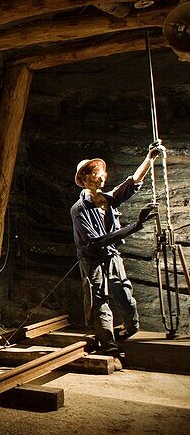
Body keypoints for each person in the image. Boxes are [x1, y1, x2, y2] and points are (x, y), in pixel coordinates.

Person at [71, 143, 164, 356]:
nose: (102, 177)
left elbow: (133, 182)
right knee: (100, 300)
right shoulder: (79, 209)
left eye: (102, 173)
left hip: (112, 257)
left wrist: (149, 158)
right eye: (96, 174)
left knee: (124, 292)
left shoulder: (109, 199)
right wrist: (135, 226)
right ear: (85, 179)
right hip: (92, 260)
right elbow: (96, 242)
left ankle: (130, 328)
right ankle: (109, 347)